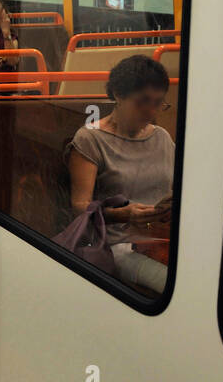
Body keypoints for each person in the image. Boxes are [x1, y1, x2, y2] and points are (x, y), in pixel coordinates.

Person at [64, 54, 174, 294]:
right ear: (118, 95)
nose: (151, 111)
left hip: (160, 239)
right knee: (175, 284)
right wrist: (124, 214)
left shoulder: (162, 138)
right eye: (143, 101)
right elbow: (79, 206)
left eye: (158, 103)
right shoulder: (90, 139)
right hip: (117, 244)